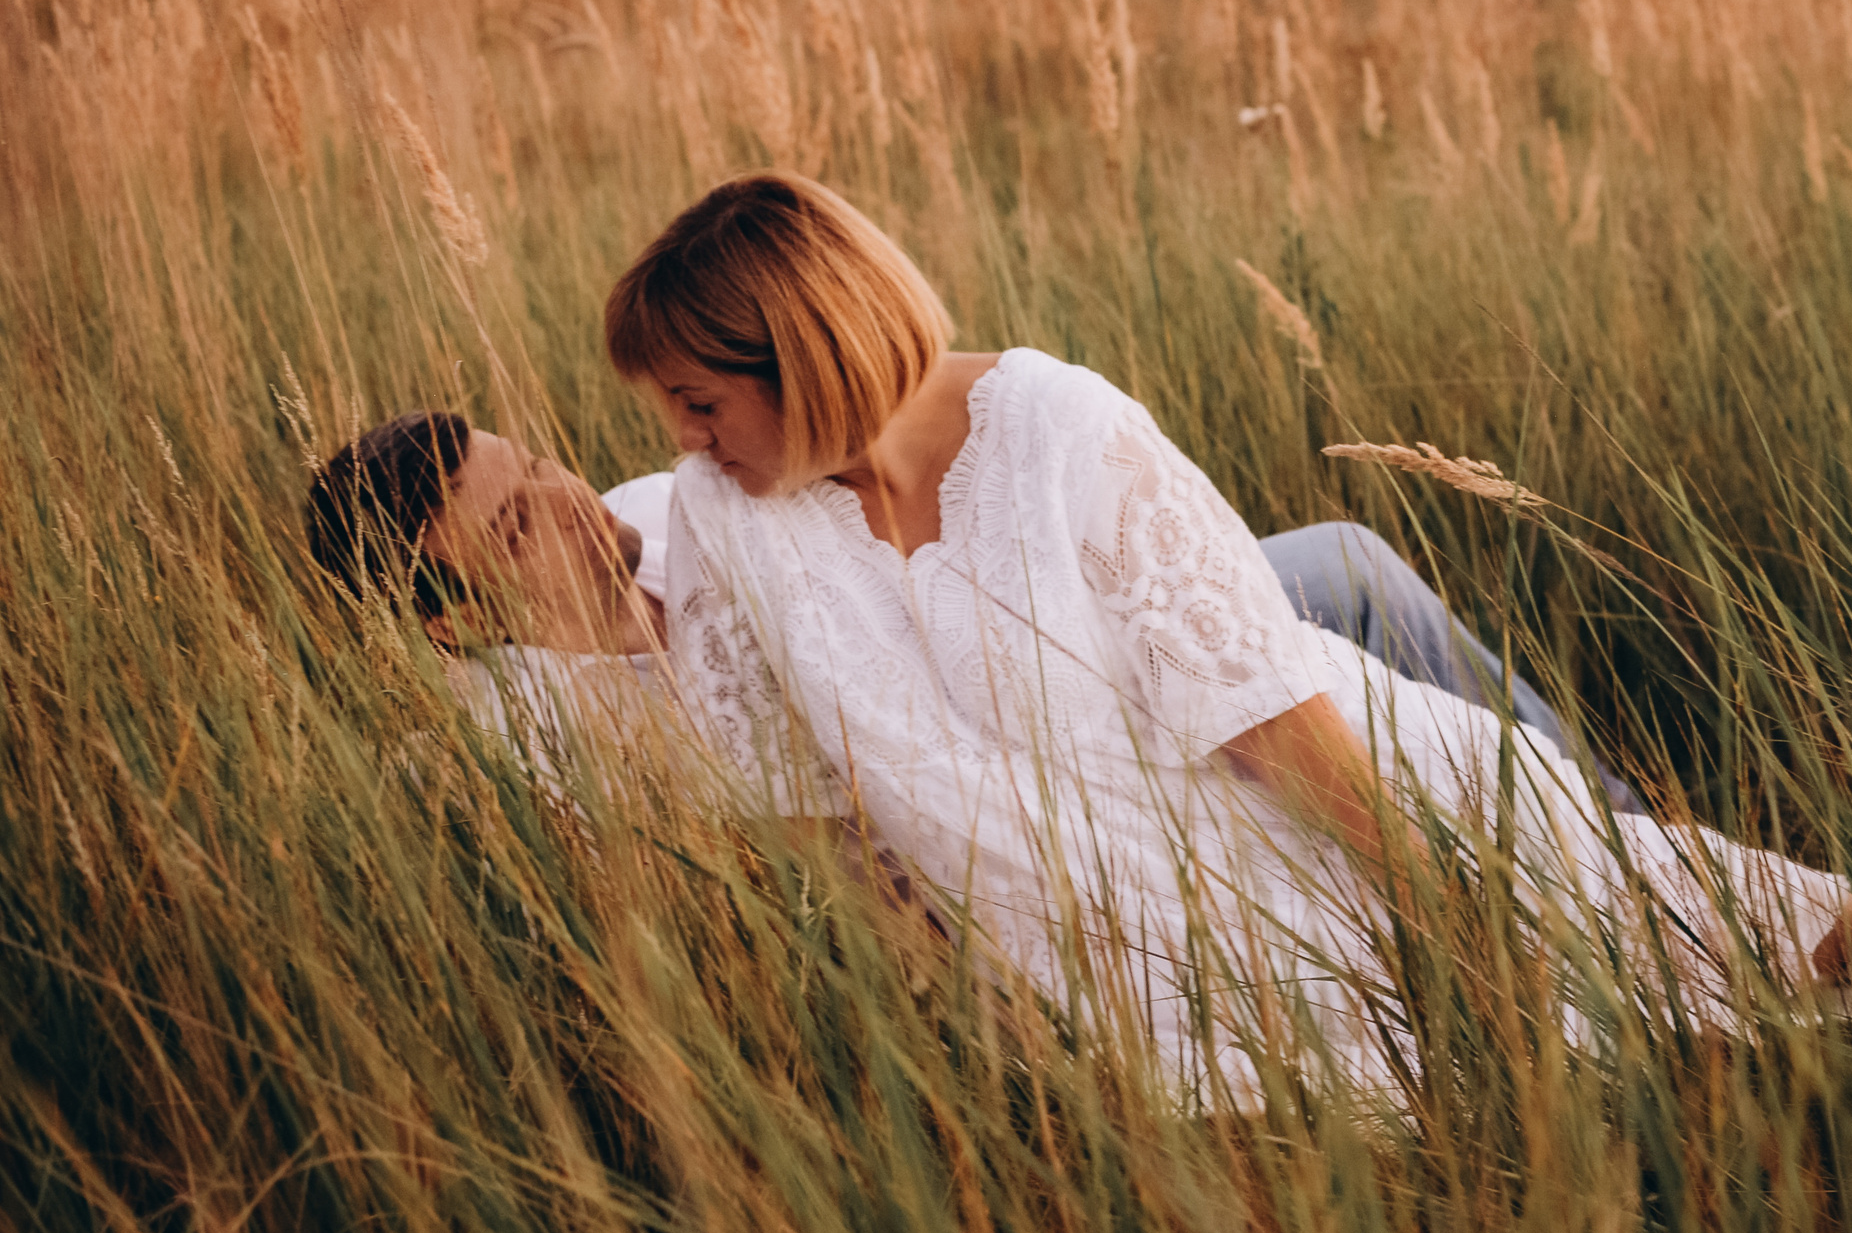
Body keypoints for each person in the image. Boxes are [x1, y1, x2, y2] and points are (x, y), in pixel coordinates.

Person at [601, 172, 1852, 1081]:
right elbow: (808, 814)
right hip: (1080, 933)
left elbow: (1259, 709)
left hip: (1300, 801)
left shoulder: (1054, 425)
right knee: (1436, 1081)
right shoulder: (729, 513)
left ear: (813, 352)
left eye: (699, 399)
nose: (682, 439)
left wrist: (1453, 920)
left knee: (1712, 944)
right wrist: (981, 1022)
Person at [302, 415, 1639, 806]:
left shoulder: (671, 498)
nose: (574, 499)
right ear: (442, 618)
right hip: (995, 731)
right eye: (519, 521)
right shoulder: (551, 726)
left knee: (1342, 566)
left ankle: (1619, 817)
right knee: (1316, 639)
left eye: (534, 461)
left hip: (1012, 611)